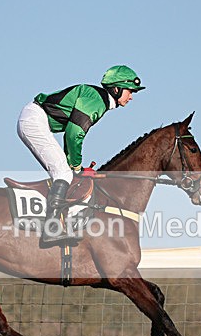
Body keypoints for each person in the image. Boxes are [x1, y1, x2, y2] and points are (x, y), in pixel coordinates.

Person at [16, 65, 145, 246]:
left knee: (65, 171)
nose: (131, 96)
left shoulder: (99, 99)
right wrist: (76, 166)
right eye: (130, 91)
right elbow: (74, 133)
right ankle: (51, 228)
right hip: (34, 120)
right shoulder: (97, 101)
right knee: (64, 174)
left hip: (36, 119)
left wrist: (75, 165)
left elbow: (71, 134)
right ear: (116, 89)